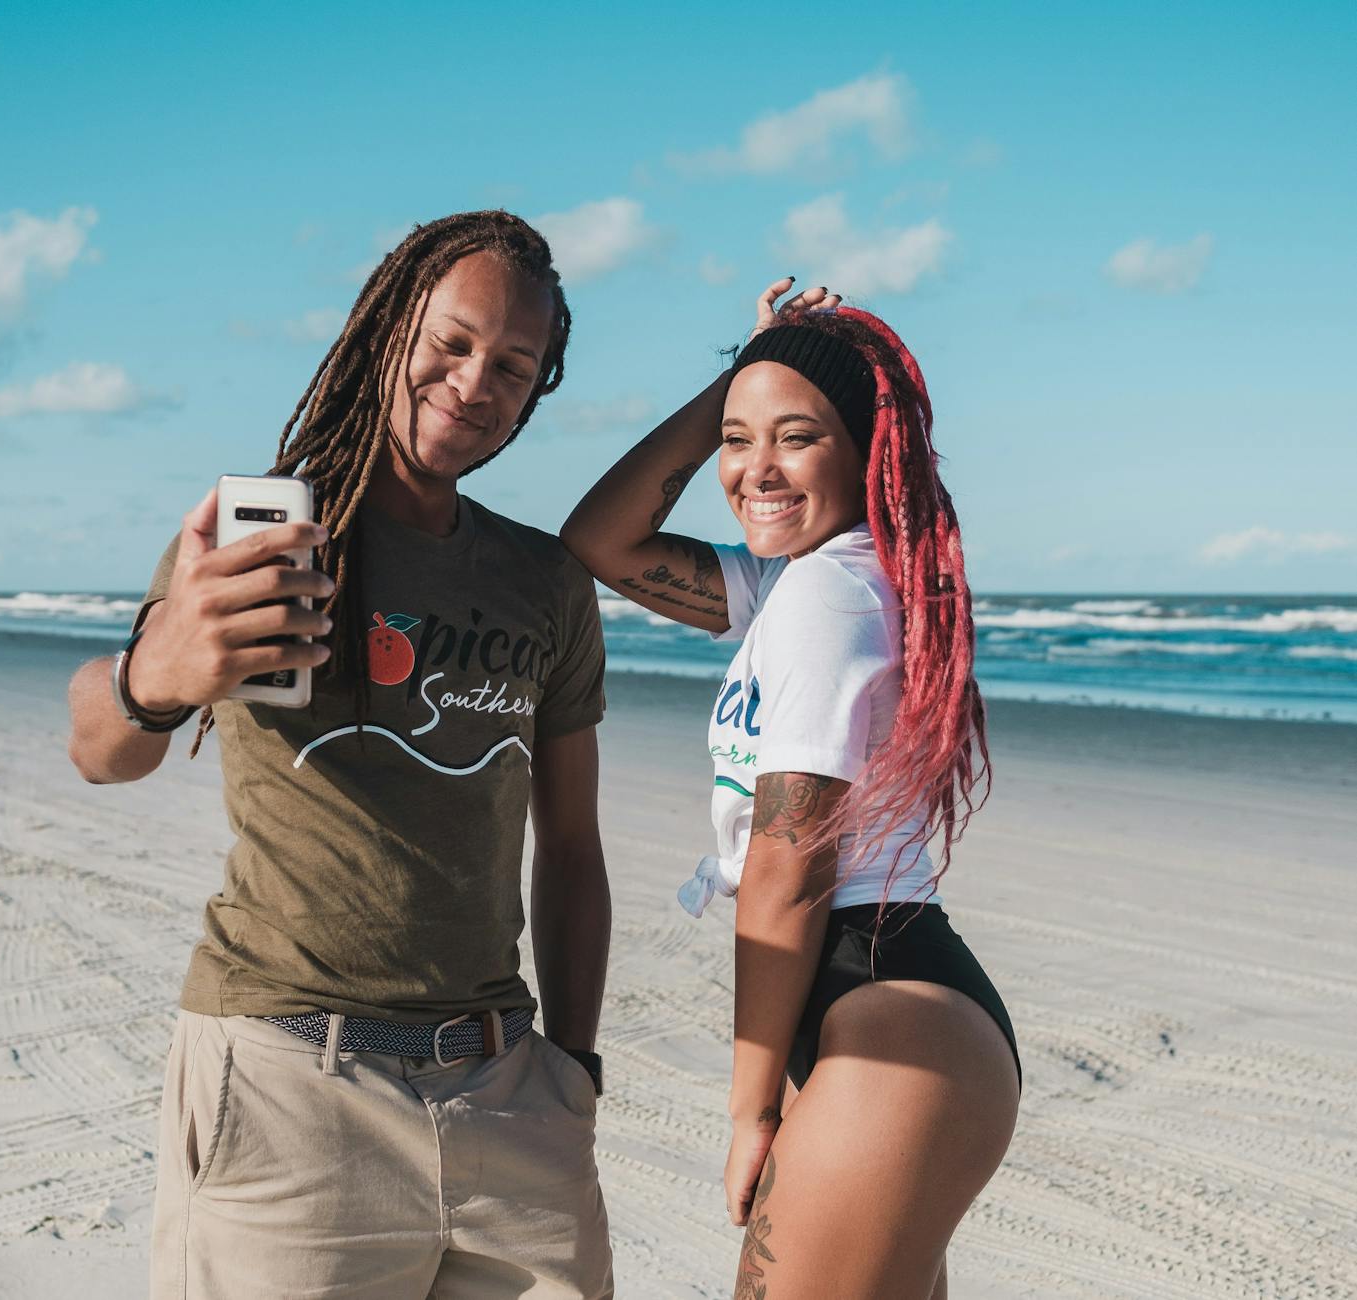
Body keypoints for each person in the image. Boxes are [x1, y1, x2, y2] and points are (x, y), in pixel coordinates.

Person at [67, 211, 614, 1299]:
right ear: (386, 328)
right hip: (289, 1085)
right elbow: (100, 750)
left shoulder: (542, 580)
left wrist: (573, 1067)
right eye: (451, 342)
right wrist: (156, 673)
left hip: (505, 1089)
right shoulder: (264, 542)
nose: (474, 382)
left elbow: (570, 847)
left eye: (514, 366)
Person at [562, 279, 1020, 1299]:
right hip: (894, 1015)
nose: (753, 469)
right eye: (737, 440)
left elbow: (788, 867)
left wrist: (749, 1110)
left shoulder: (826, 592)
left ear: (865, 452)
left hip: (886, 1009)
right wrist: (749, 369)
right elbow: (600, 540)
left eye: (797, 437)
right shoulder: (797, 576)